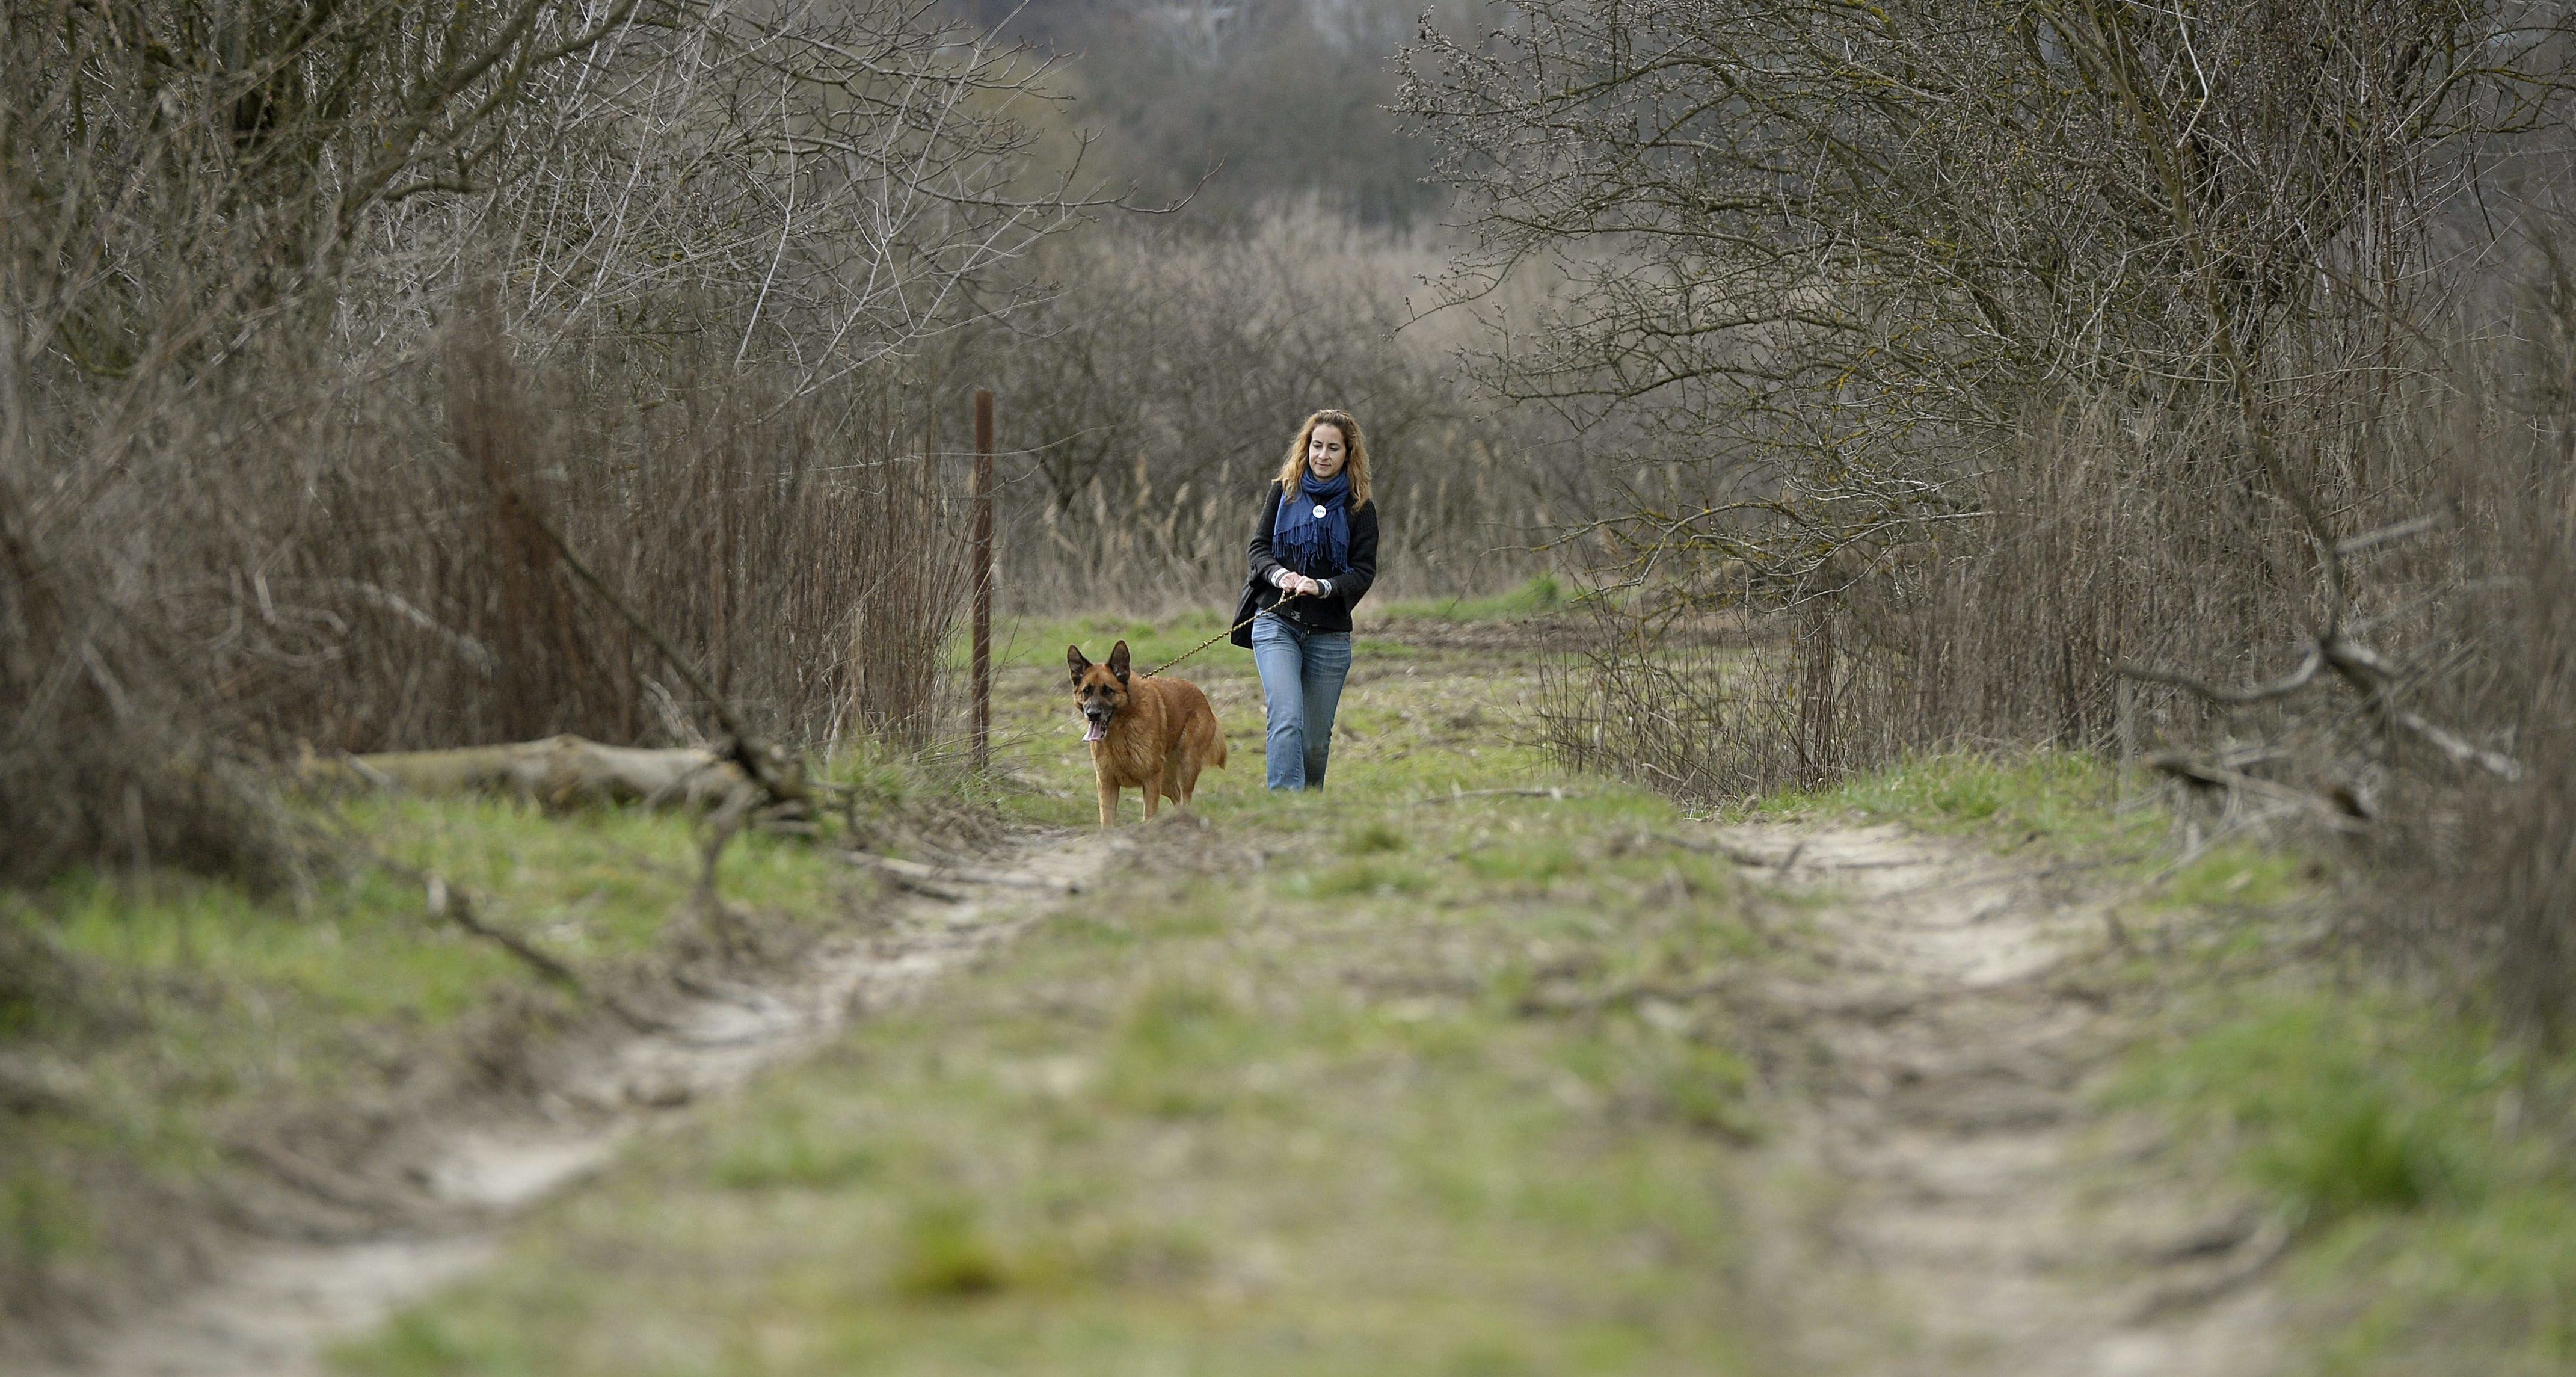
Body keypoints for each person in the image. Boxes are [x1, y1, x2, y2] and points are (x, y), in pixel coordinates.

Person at [1232, 408, 1380, 790]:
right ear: (1306, 448)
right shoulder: (1284, 492)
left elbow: (1363, 572)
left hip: (1329, 634)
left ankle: (1308, 815)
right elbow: (1259, 548)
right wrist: (1282, 575)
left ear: (1349, 454)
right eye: (1316, 446)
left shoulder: (1360, 507)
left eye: (1333, 448)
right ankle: (1283, 811)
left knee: (1314, 744)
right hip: (1275, 621)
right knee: (1286, 718)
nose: (1323, 456)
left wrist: (1324, 586)